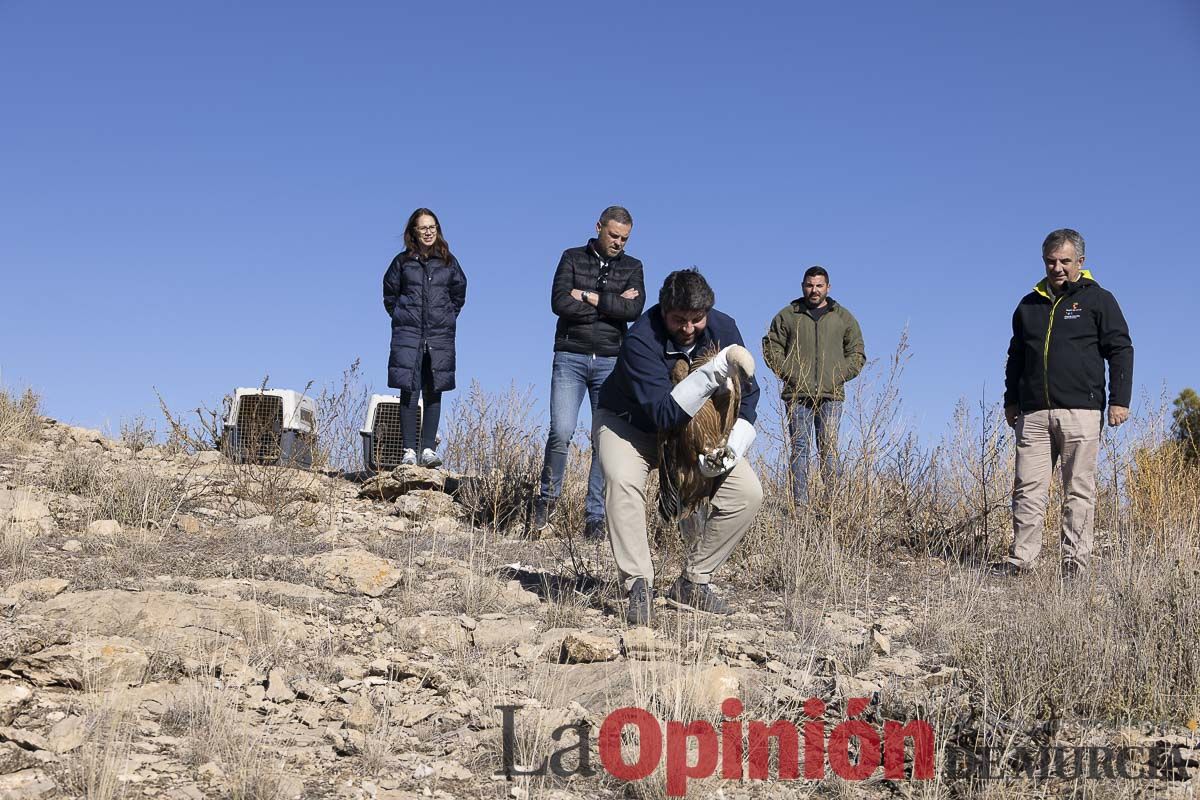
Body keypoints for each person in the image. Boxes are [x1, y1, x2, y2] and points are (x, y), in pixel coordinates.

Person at [595, 268, 762, 625]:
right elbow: (664, 412)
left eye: (696, 320)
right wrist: (716, 368)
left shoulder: (724, 328)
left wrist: (733, 445)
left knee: (747, 493)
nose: (688, 328)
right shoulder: (640, 338)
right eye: (679, 319)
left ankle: (693, 582)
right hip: (630, 425)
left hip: (696, 433)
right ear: (663, 309)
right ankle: (638, 584)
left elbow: (750, 393)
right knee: (622, 482)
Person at [999, 228, 1133, 579]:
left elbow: (1120, 349)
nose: (1057, 268)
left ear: (1081, 262)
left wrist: (1120, 400)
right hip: (1033, 412)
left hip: (1081, 411)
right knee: (1027, 489)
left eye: (1064, 261)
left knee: (1078, 489)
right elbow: (1015, 356)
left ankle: (1075, 563)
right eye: (1051, 261)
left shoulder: (1098, 300)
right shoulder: (1028, 305)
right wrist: (1011, 400)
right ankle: (1021, 562)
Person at [532, 206, 646, 539]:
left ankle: (594, 518)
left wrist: (587, 296)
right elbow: (558, 303)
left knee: (603, 441)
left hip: (611, 361)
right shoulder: (571, 257)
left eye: (624, 238)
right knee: (562, 432)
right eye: (613, 235)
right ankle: (546, 506)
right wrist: (610, 303)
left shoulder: (633, 267)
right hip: (570, 356)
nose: (618, 243)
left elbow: (633, 309)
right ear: (598, 227)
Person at [762, 266, 865, 507]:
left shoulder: (843, 317)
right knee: (800, 448)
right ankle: (800, 506)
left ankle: (833, 505)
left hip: (831, 395)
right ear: (802, 287)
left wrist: (838, 375)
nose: (814, 290)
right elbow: (771, 347)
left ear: (828, 287)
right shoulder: (788, 315)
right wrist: (790, 373)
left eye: (819, 285)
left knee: (828, 449)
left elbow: (857, 352)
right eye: (809, 285)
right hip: (798, 394)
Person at [382, 208, 467, 468]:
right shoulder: (402, 262)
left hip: (439, 335)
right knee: (409, 390)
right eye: (423, 227)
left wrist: (446, 317)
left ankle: (428, 449)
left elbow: (459, 294)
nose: (429, 231)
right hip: (408, 334)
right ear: (414, 232)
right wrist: (400, 316)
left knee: (434, 391)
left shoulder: (449, 262)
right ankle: (409, 450)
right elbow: (389, 294)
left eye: (433, 227)